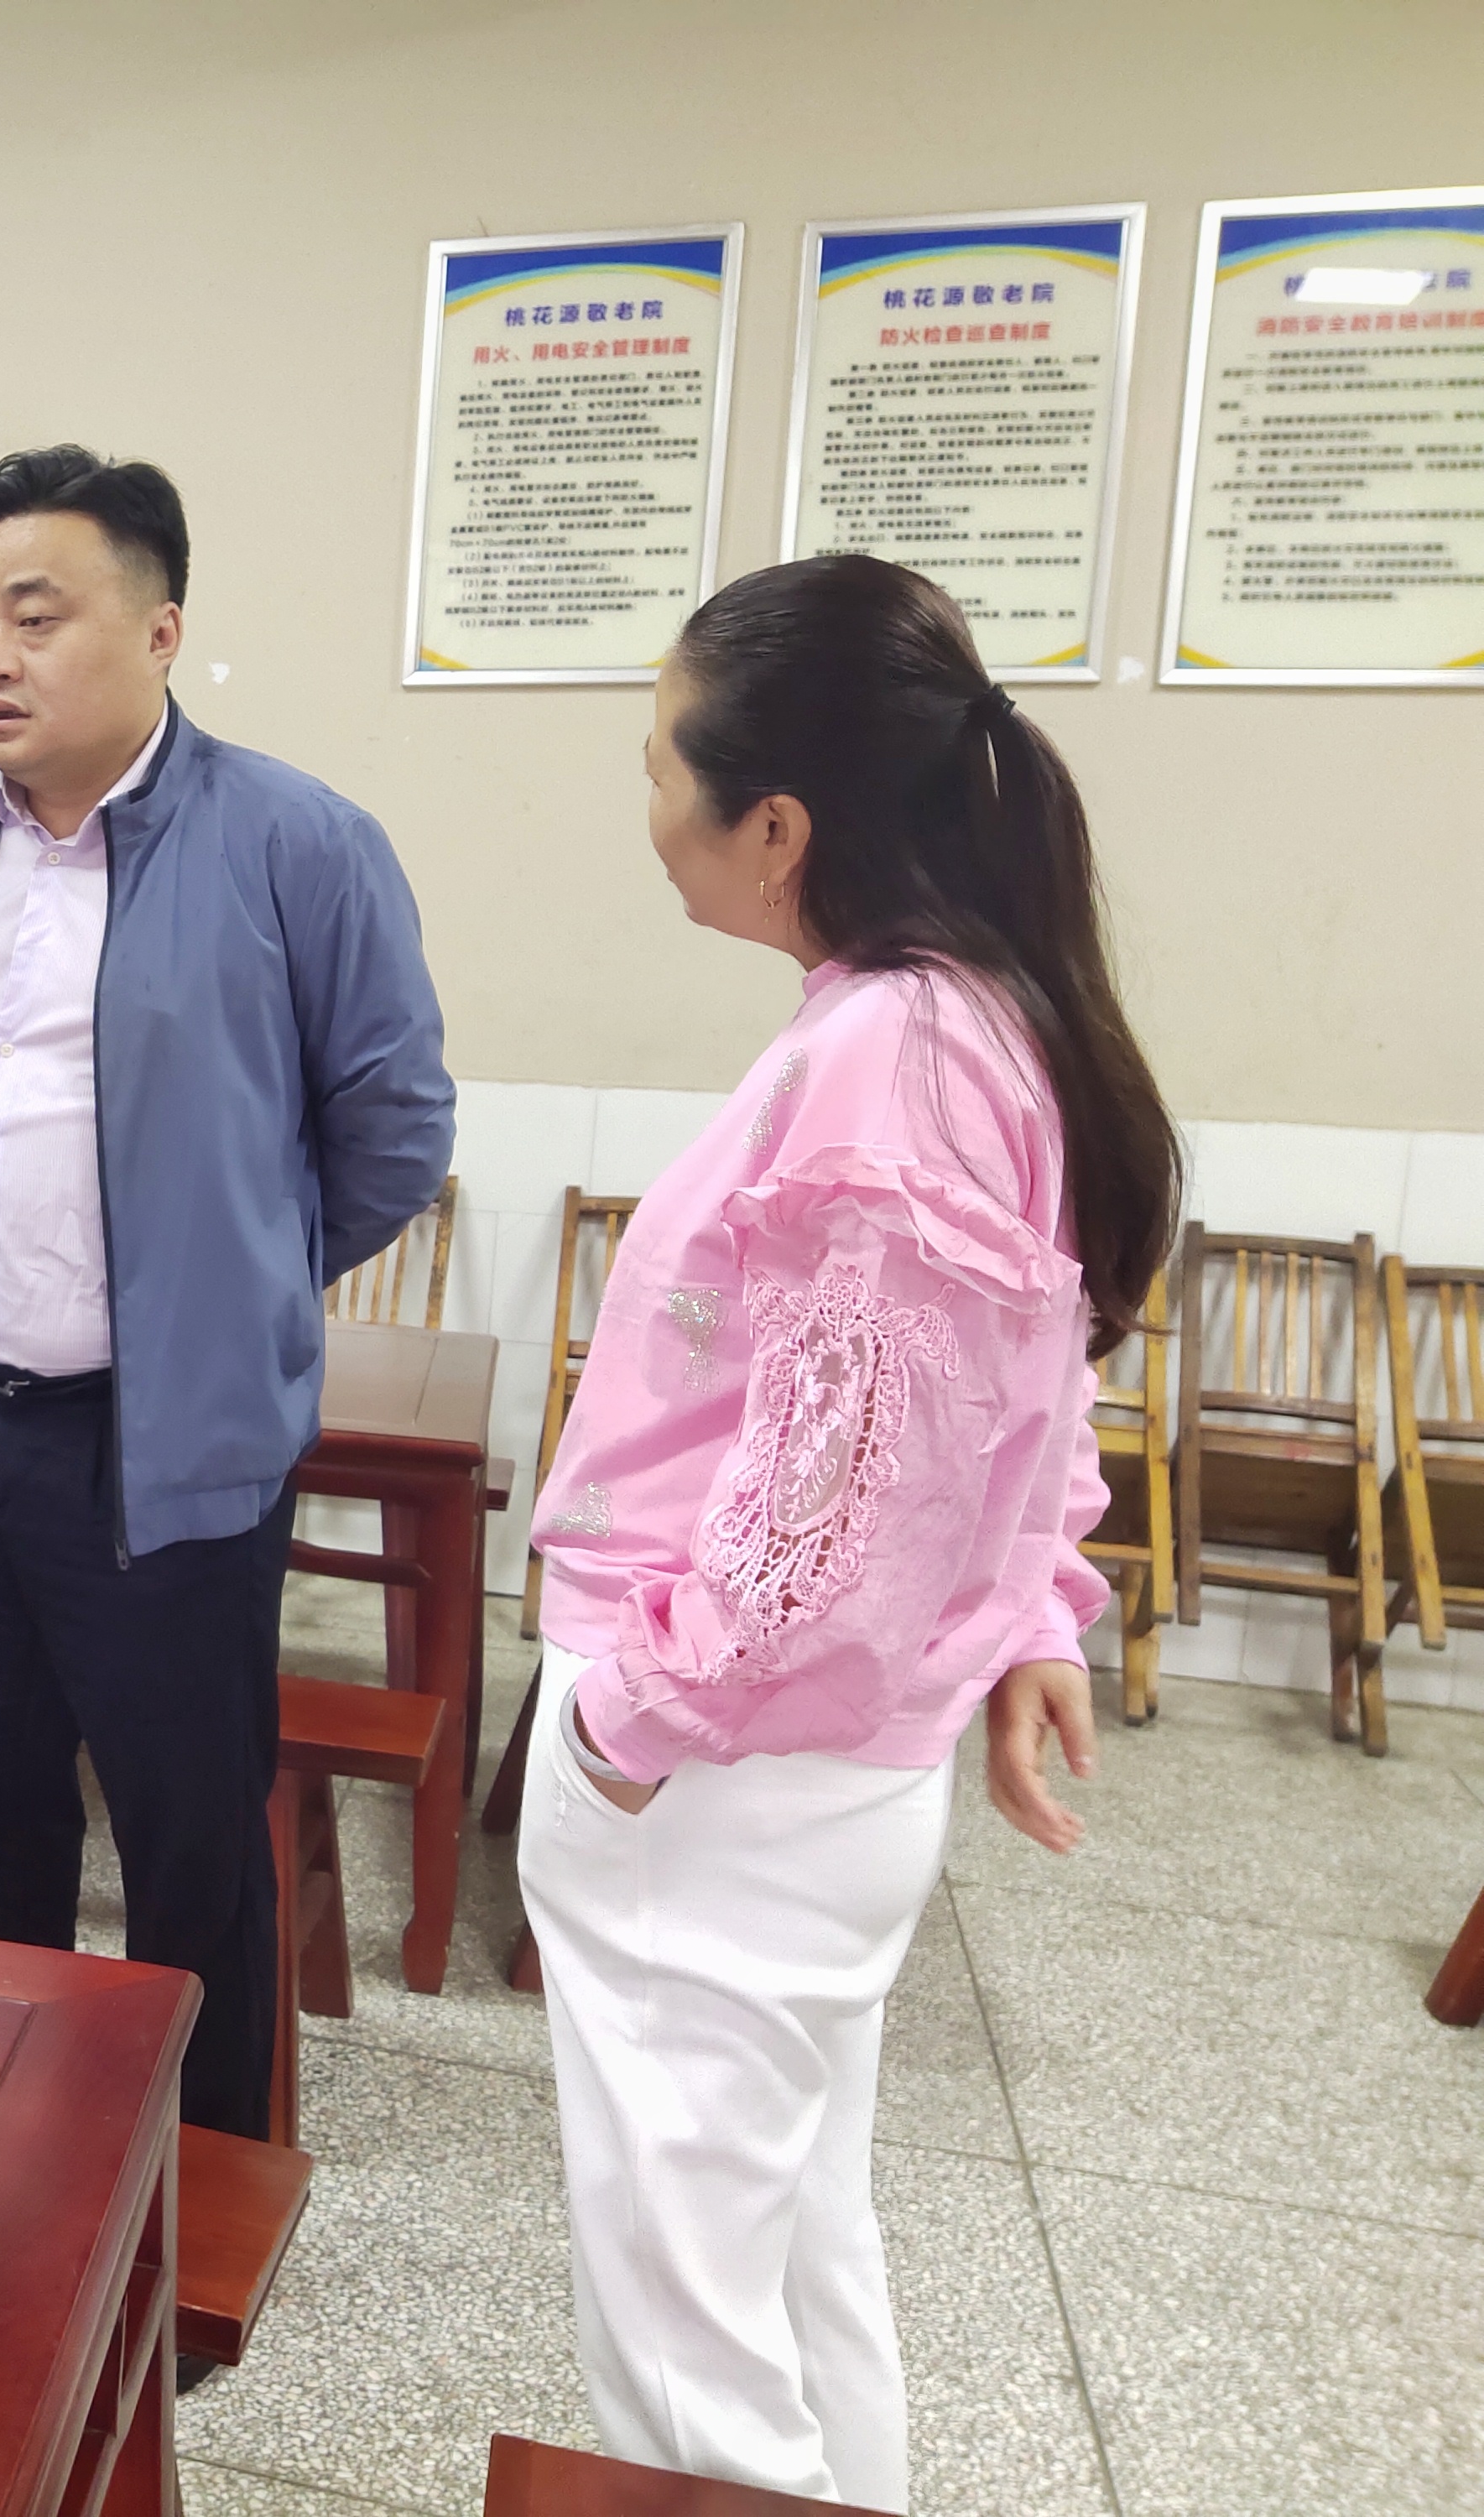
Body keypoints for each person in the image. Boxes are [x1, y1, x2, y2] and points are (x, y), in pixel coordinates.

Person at [519, 554, 1176, 2510]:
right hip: (807, 1770)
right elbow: (1009, 1389)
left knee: (685, 2346)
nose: (648, 809)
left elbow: (845, 1482)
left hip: (723, 1771)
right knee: (795, 2256)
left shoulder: (886, 1051)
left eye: (662, 767)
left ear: (776, 828)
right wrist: (1031, 1609)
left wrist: (630, 1716)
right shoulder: (973, 1018)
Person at [0, 446, 456, 2155]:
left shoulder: (297, 842)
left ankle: (202, 2196)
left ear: (162, 629)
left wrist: (226, 1280)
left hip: (159, 1448)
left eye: (35, 618)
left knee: (189, 1849)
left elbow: (393, 1132)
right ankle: (9, 2179)